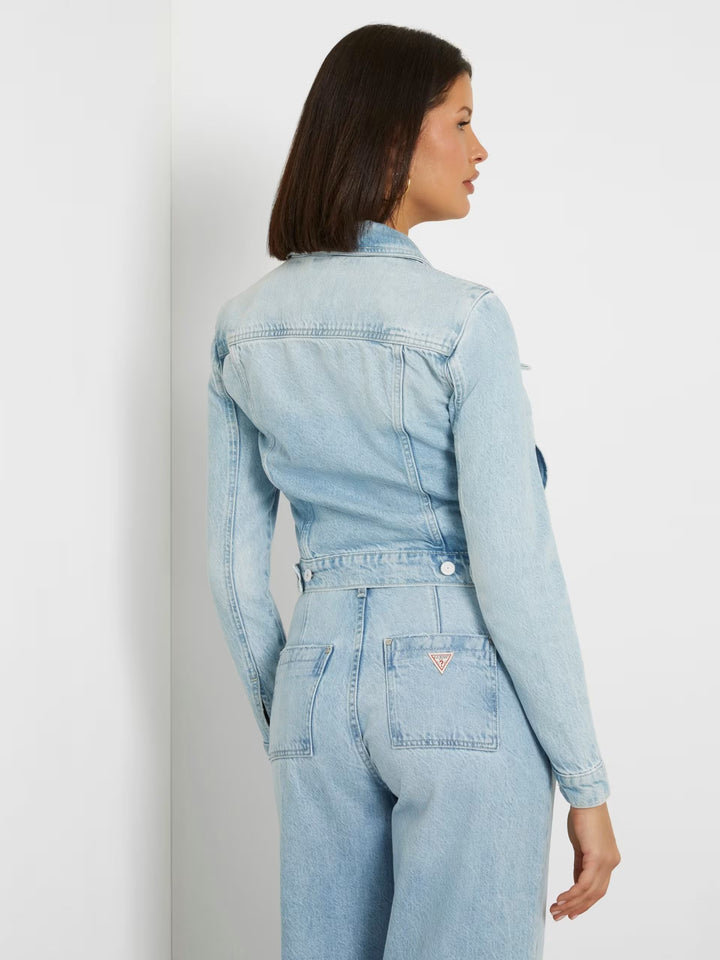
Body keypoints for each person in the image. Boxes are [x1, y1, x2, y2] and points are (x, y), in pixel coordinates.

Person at [206, 22, 621, 960]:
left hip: (313, 679)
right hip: (457, 682)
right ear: (395, 135)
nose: (481, 151)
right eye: (462, 122)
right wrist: (586, 782)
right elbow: (514, 569)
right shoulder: (463, 321)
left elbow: (232, 573)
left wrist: (293, 712)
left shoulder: (243, 327)